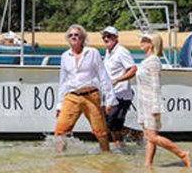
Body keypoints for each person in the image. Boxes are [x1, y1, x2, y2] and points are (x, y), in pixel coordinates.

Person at [55, 24, 115, 153]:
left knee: (101, 132)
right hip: (71, 96)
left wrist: (109, 99)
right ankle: (60, 161)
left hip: (91, 95)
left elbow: (103, 75)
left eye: (77, 35)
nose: (74, 37)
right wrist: (59, 105)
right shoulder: (65, 56)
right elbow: (63, 81)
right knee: (60, 131)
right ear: (67, 39)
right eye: (71, 35)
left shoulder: (92, 52)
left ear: (83, 37)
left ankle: (107, 156)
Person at [135, 32, 191, 167]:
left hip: (150, 102)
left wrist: (156, 106)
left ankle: (182, 154)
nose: (141, 42)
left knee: (151, 136)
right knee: (149, 137)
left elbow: (156, 85)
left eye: (144, 40)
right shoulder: (146, 61)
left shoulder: (154, 61)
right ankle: (148, 164)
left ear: (151, 44)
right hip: (143, 102)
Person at [101, 26, 138, 149]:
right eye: (104, 36)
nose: (106, 38)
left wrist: (118, 80)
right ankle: (135, 136)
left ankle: (120, 147)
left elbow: (133, 69)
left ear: (116, 37)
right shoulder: (108, 52)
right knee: (110, 124)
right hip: (110, 95)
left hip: (122, 95)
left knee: (113, 125)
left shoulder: (121, 51)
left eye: (109, 36)